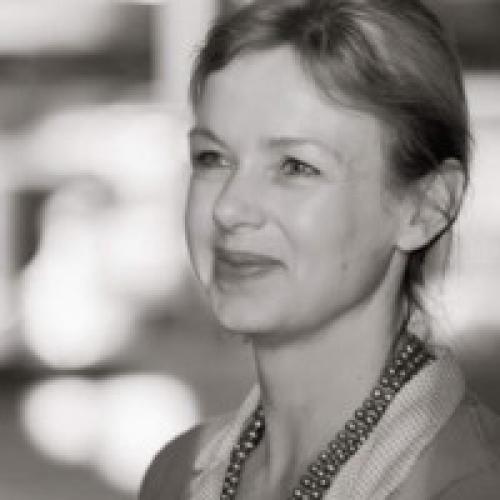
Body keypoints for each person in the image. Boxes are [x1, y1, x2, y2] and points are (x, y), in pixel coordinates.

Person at [140, 1, 500, 498]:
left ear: (426, 207)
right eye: (212, 157)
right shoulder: (175, 475)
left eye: (296, 166)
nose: (229, 207)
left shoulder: (472, 484)